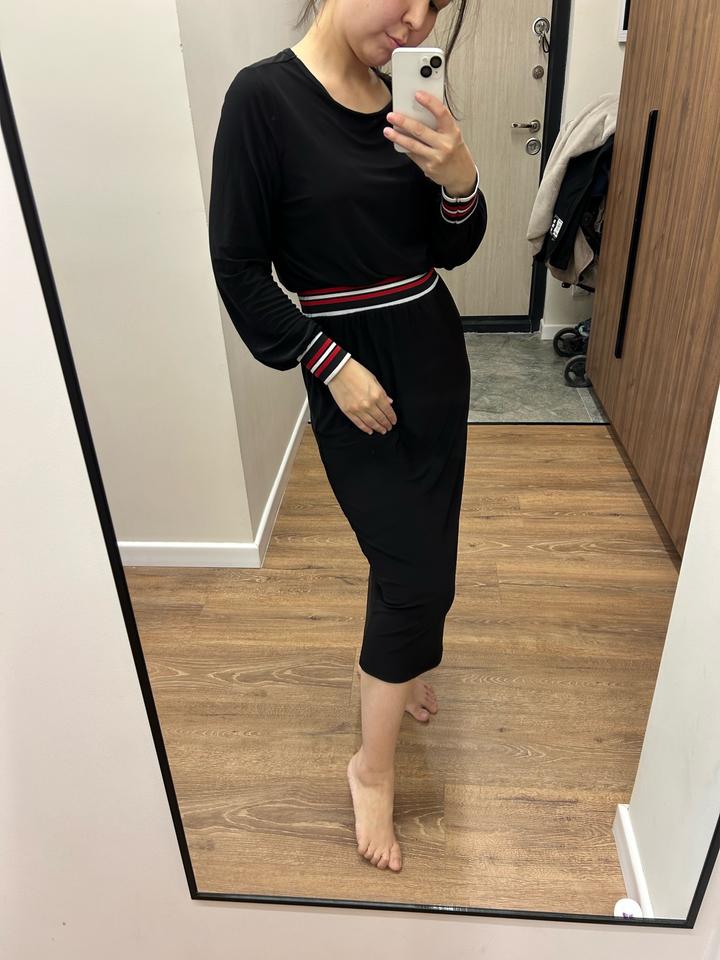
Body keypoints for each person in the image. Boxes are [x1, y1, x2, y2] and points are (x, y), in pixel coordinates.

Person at [208, 0, 487, 874]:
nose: (417, 21)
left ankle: (400, 672)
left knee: (426, 550)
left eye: (435, 6)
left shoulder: (407, 94)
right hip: (351, 374)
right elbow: (239, 268)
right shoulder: (262, 99)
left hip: (432, 355)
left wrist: (461, 182)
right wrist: (328, 362)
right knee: (411, 570)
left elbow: (449, 249)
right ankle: (371, 767)